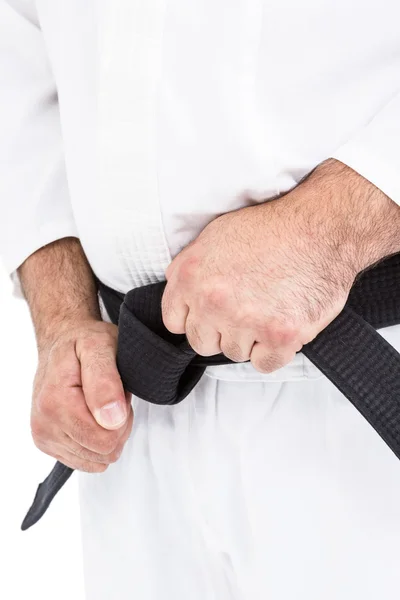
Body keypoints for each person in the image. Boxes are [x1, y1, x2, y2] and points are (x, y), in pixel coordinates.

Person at [1, 1, 400, 598]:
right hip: (132, 423)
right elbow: (19, 43)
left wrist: (329, 228)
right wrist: (64, 317)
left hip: (357, 397)